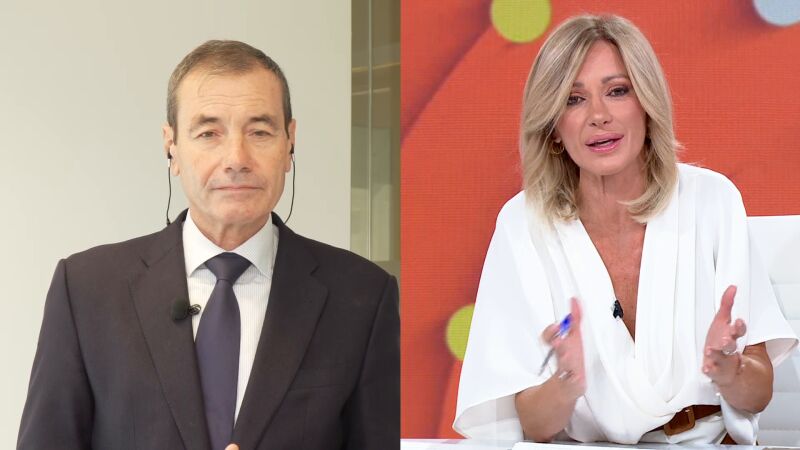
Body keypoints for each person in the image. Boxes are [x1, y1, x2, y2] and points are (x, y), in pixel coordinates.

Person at [18, 40, 399, 450]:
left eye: (259, 131)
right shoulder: (87, 289)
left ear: (290, 142)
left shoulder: (362, 296)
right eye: (208, 133)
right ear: (171, 146)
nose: (236, 158)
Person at [453, 15, 797, 445]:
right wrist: (566, 383)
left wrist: (730, 371)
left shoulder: (712, 200)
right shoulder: (523, 223)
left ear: (647, 106)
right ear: (554, 128)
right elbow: (536, 425)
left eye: (617, 91)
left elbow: (758, 394)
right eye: (574, 99)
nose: (599, 116)